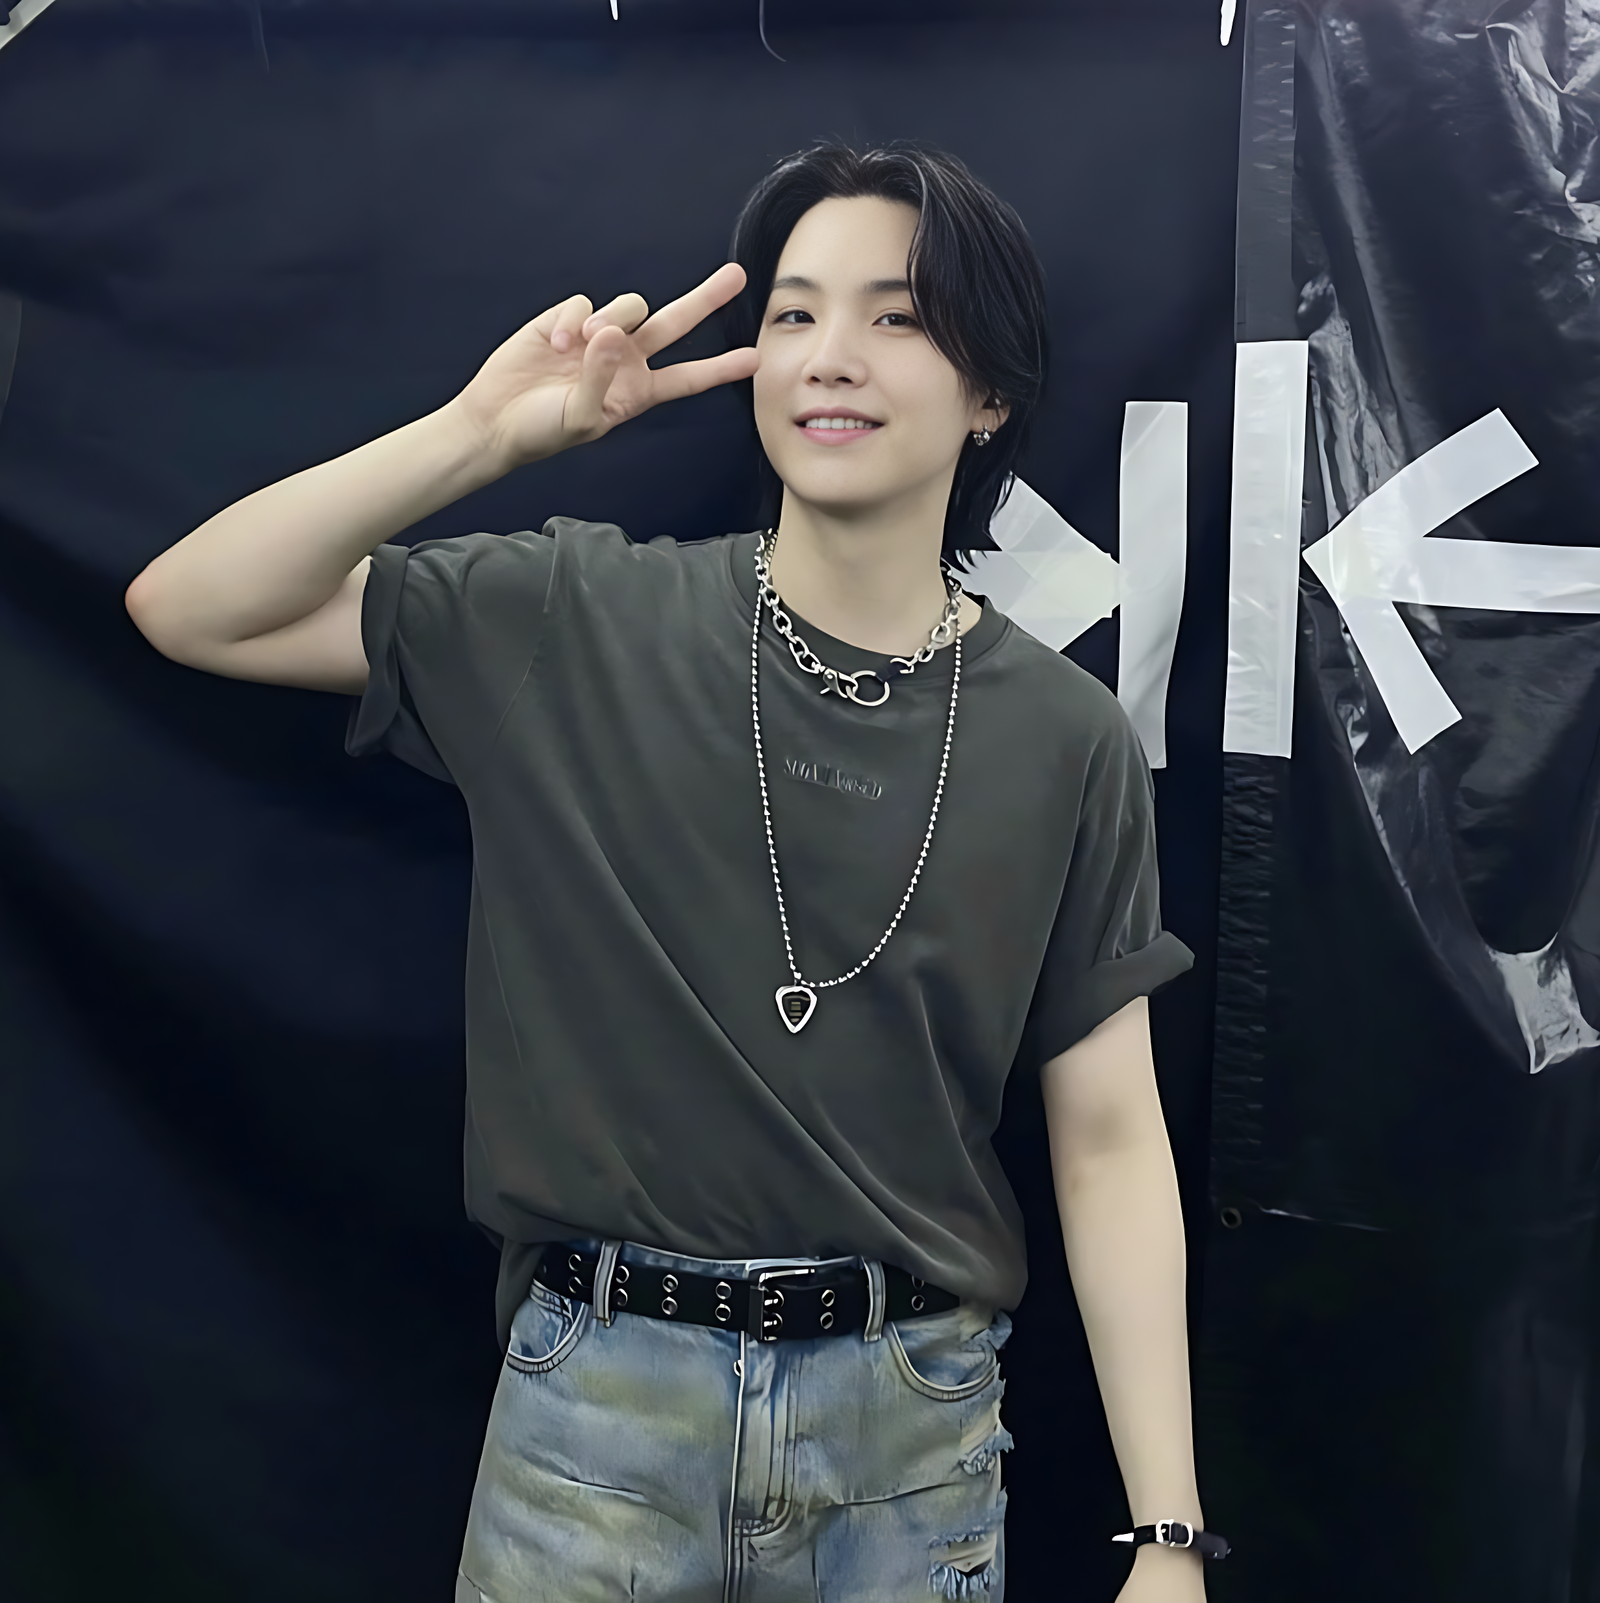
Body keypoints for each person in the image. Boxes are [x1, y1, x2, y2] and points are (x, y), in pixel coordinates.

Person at [125, 142, 1215, 1603]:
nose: (830, 356)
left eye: (897, 316)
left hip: (909, 1438)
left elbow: (1111, 1138)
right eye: (793, 313)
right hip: (595, 1417)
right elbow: (193, 606)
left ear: (991, 392)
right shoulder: (575, 614)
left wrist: (1167, 1537)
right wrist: (479, 436)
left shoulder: (1066, 736)